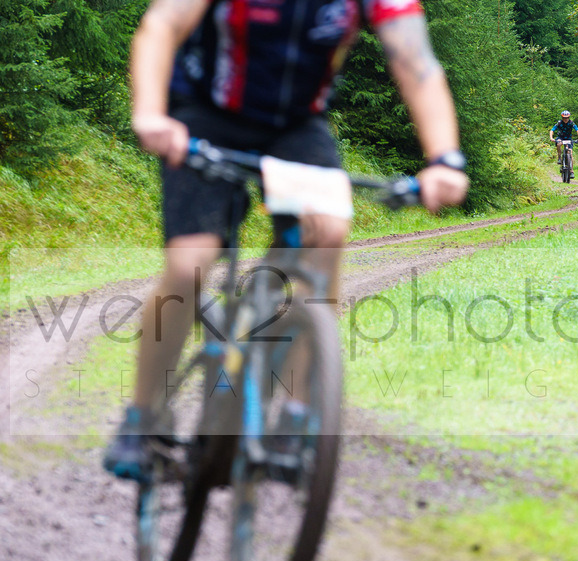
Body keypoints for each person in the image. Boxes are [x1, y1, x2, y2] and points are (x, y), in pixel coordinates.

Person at [104, 0, 470, 481]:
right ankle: (141, 416)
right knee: (190, 263)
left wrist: (445, 158)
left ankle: (293, 416)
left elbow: (416, 63)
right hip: (205, 113)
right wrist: (150, 114)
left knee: (329, 231)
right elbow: (161, 24)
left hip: (296, 128)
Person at [549, 110, 578, 178]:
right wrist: (551, 138)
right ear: (562, 118)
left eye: (567, 118)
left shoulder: (571, 123)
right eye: (564, 118)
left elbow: (577, 130)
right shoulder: (559, 123)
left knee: (570, 153)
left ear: (569, 117)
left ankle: (571, 171)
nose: (565, 119)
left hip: (568, 138)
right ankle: (559, 157)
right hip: (560, 137)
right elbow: (552, 130)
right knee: (558, 144)